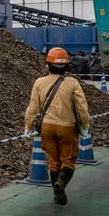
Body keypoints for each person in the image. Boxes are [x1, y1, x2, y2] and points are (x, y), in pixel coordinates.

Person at [24, 47, 91, 205]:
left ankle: (57, 193)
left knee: (53, 161)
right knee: (68, 161)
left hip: (47, 127)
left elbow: (33, 107)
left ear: (48, 65)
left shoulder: (39, 82)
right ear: (67, 66)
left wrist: (28, 125)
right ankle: (60, 183)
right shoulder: (73, 83)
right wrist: (86, 124)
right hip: (67, 127)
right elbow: (82, 107)